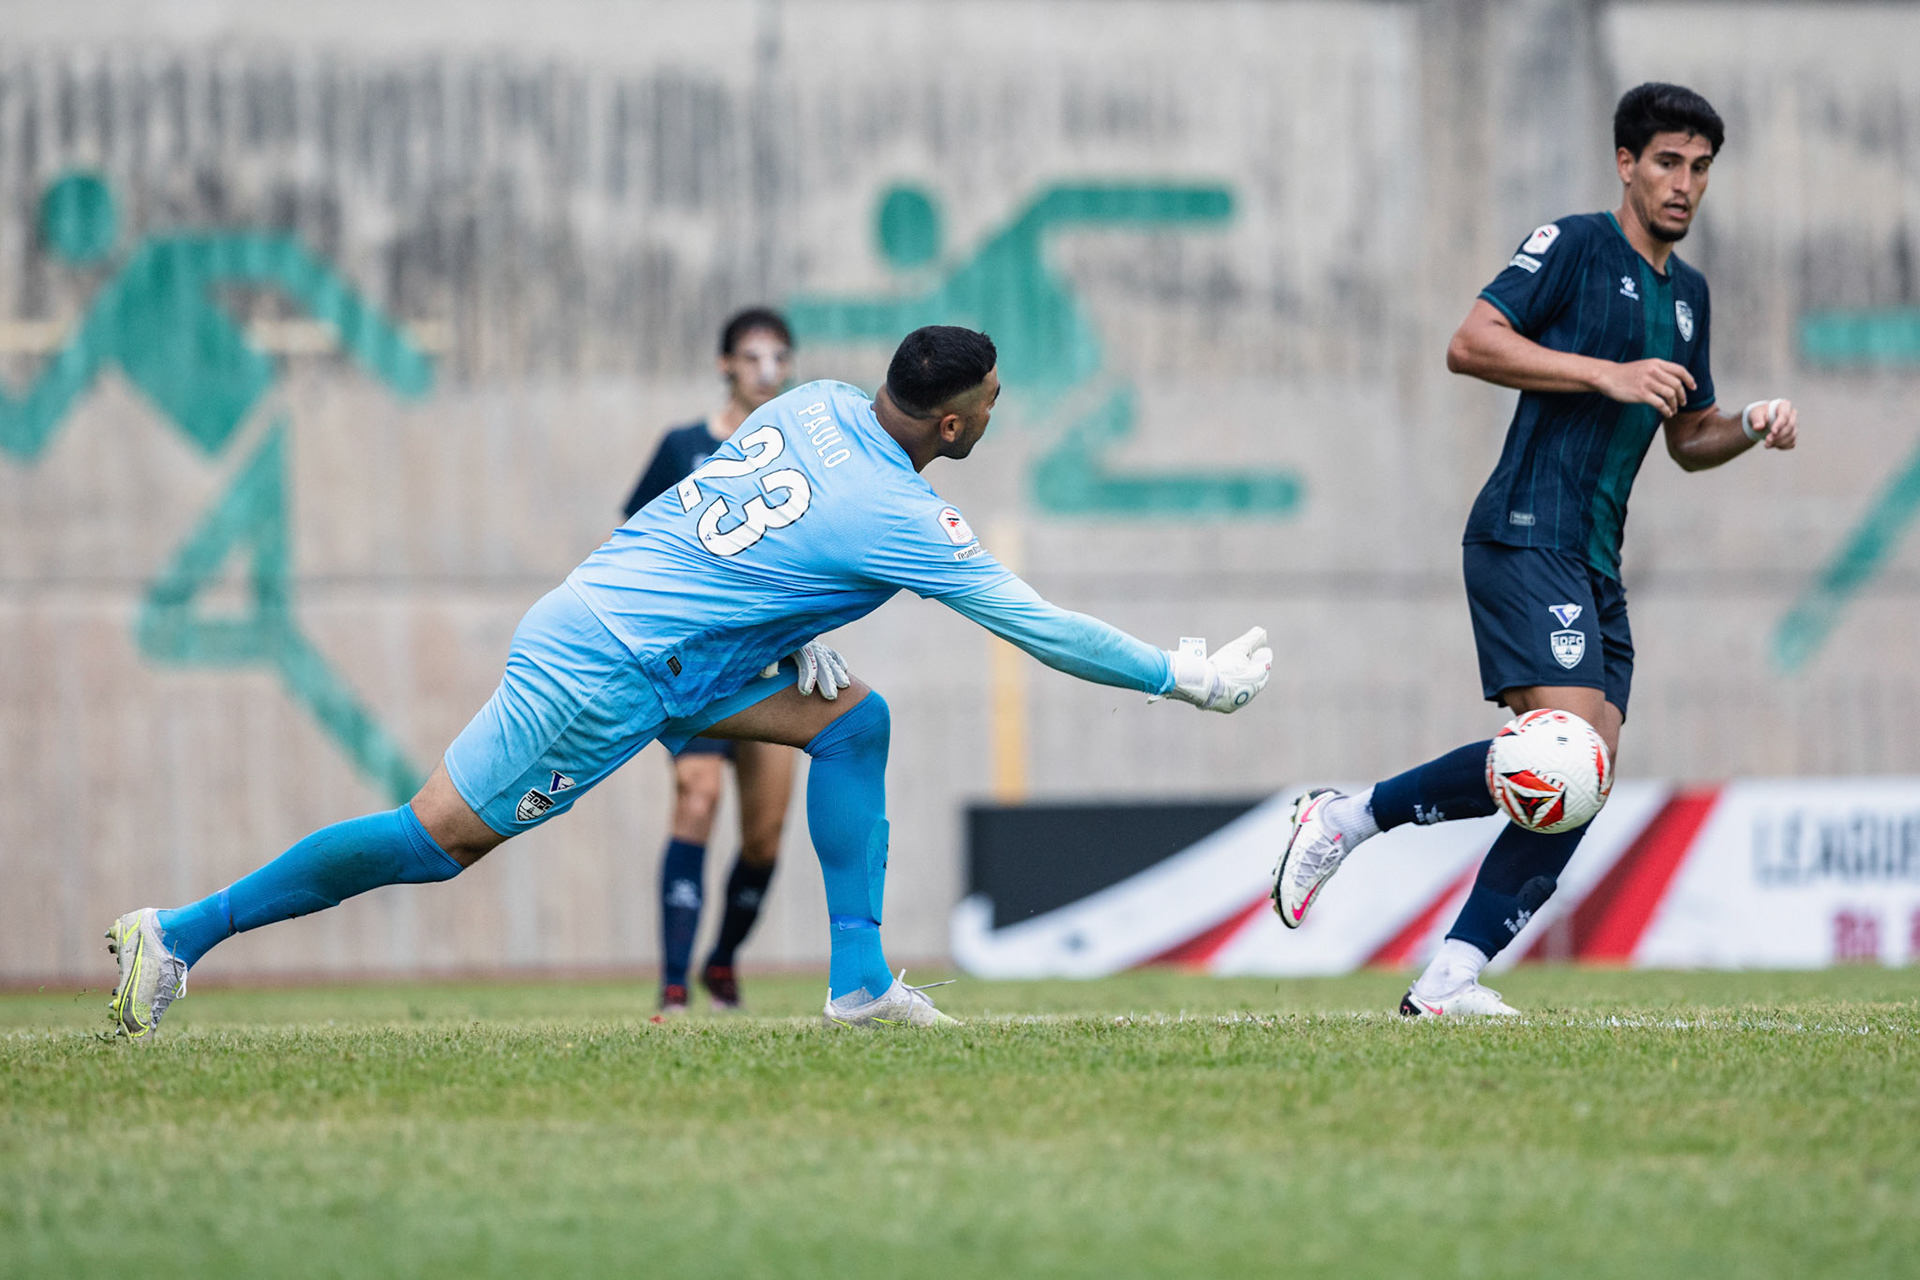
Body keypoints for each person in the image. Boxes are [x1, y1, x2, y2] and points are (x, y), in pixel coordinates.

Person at [106, 325, 1273, 1037]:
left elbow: (721, 526)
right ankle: (181, 931)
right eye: (995, 403)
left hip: (659, 644)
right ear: (958, 421)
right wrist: (1183, 676)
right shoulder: (899, 510)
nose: (996, 413)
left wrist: (787, 632)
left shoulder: (814, 402)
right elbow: (1038, 625)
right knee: (435, 838)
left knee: (854, 721)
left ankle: (859, 983)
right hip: (607, 666)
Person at [1270, 83, 1799, 1017]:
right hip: (1525, 531)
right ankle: (1347, 819)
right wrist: (1603, 372)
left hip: (1596, 557)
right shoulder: (1574, 244)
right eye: (1668, 162)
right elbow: (1470, 342)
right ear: (1627, 164)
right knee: (1564, 756)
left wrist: (1749, 424)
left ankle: (1446, 979)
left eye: (1702, 168)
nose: (1685, 184)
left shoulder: (1691, 297)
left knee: (1581, 775)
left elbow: (1688, 436)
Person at [621, 307, 803, 1014]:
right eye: (753, 357)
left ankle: (721, 963)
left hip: (771, 664)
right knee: (697, 796)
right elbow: (632, 539)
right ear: (725, 363)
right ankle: (672, 989)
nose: (767, 370)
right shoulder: (685, 446)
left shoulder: (798, 453)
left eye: (779, 358)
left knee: (765, 835)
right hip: (697, 664)